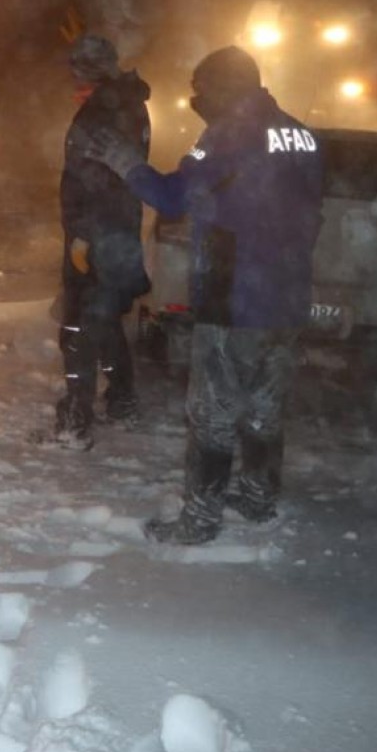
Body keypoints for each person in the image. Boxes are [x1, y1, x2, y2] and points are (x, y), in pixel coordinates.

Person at [87, 46, 324, 544]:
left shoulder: (228, 135)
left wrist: (126, 163)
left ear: (224, 87)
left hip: (234, 296)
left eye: (202, 88)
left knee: (213, 415)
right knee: (264, 407)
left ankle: (199, 521)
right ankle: (258, 499)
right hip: (286, 296)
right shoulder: (301, 135)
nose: (197, 98)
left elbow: (173, 197)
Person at [52, 34, 153, 450]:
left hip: (97, 235)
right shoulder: (129, 104)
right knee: (105, 318)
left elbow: (93, 181)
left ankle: (76, 418)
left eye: (78, 68)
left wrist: (82, 236)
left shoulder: (103, 113)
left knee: (78, 327)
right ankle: (122, 398)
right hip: (118, 232)